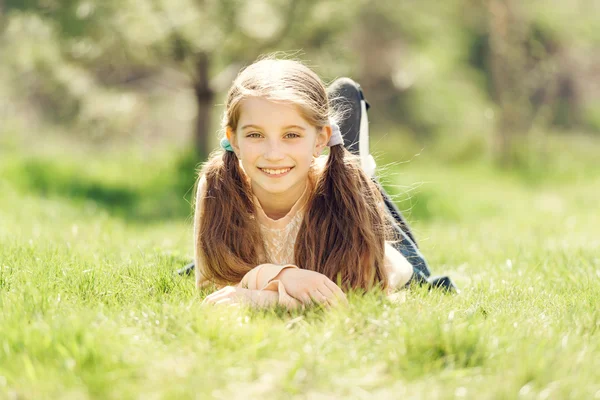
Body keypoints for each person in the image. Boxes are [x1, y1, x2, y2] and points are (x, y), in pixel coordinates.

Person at [195, 57, 444, 310]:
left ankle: (350, 149)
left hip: (375, 241)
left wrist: (264, 297)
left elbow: (353, 299)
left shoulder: (351, 190)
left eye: (290, 134)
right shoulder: (218, 184)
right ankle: (336, 148)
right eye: (255, 135)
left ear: (320, 139)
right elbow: (213, 287)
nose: (273, 153)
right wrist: (284, 277)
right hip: (302, 186)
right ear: (233, 139)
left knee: (356, 182)